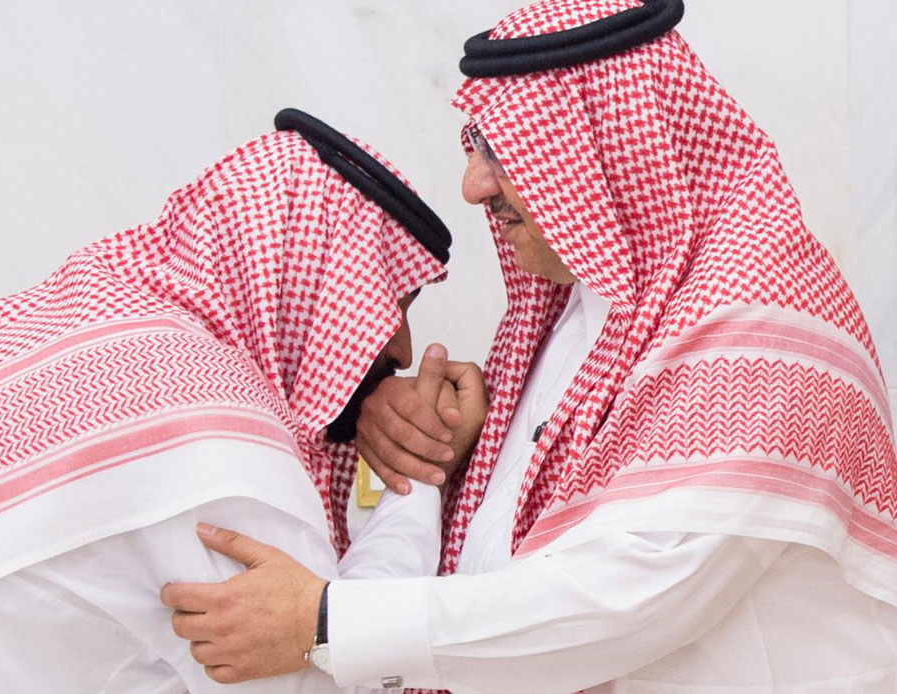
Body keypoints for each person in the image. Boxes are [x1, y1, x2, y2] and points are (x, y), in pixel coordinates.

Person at [160, 3, 897, 693]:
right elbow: (494, 567)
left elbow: (629, 593)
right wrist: (433, 457)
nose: (475, 185)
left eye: (503, 150)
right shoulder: (572, 318)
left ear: (610, 140)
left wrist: (324, 622)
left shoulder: (761, 314)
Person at [0, 109, 475, 694]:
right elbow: (324, 675)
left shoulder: (77, 334)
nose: (401, 343)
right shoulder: (209, 435)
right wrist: (421, 474)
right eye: (391, 298)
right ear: (313, 277)